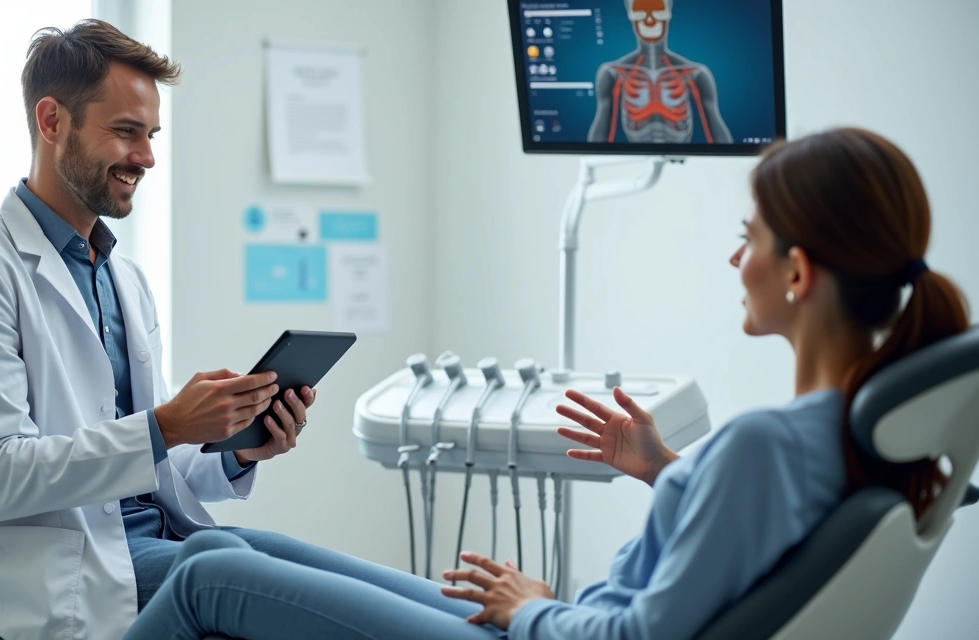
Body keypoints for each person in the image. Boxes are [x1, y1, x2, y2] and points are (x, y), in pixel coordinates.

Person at [123, 127, 970, 640]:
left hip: (558, 632)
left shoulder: (767, 445)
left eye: (749, 237)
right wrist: (666, 468)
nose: (733, 258)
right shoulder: (836, 439)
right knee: (221, 547)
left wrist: (531, 607)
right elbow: (751, 522)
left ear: (797, 274)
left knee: (206, 579)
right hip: (564, 626)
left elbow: (645, 634)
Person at [0, 19, 486, 640]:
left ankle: (526, 623)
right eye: (126, 132)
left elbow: (155, 471)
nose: (147, 156)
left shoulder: (121, 277)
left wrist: (236, 445)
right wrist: (167, 425)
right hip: (78, 576)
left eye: (152, 135)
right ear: (52, 122)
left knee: (369, 586)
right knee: (258, 577)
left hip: (168, 541)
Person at [587, 0, 732, 144]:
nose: (650, 20)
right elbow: (600, 139)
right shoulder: (613, 73)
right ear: (630, 15)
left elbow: (719, 137)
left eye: (657, 12)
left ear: (668, 13)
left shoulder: (695, 73)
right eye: (640, 14)